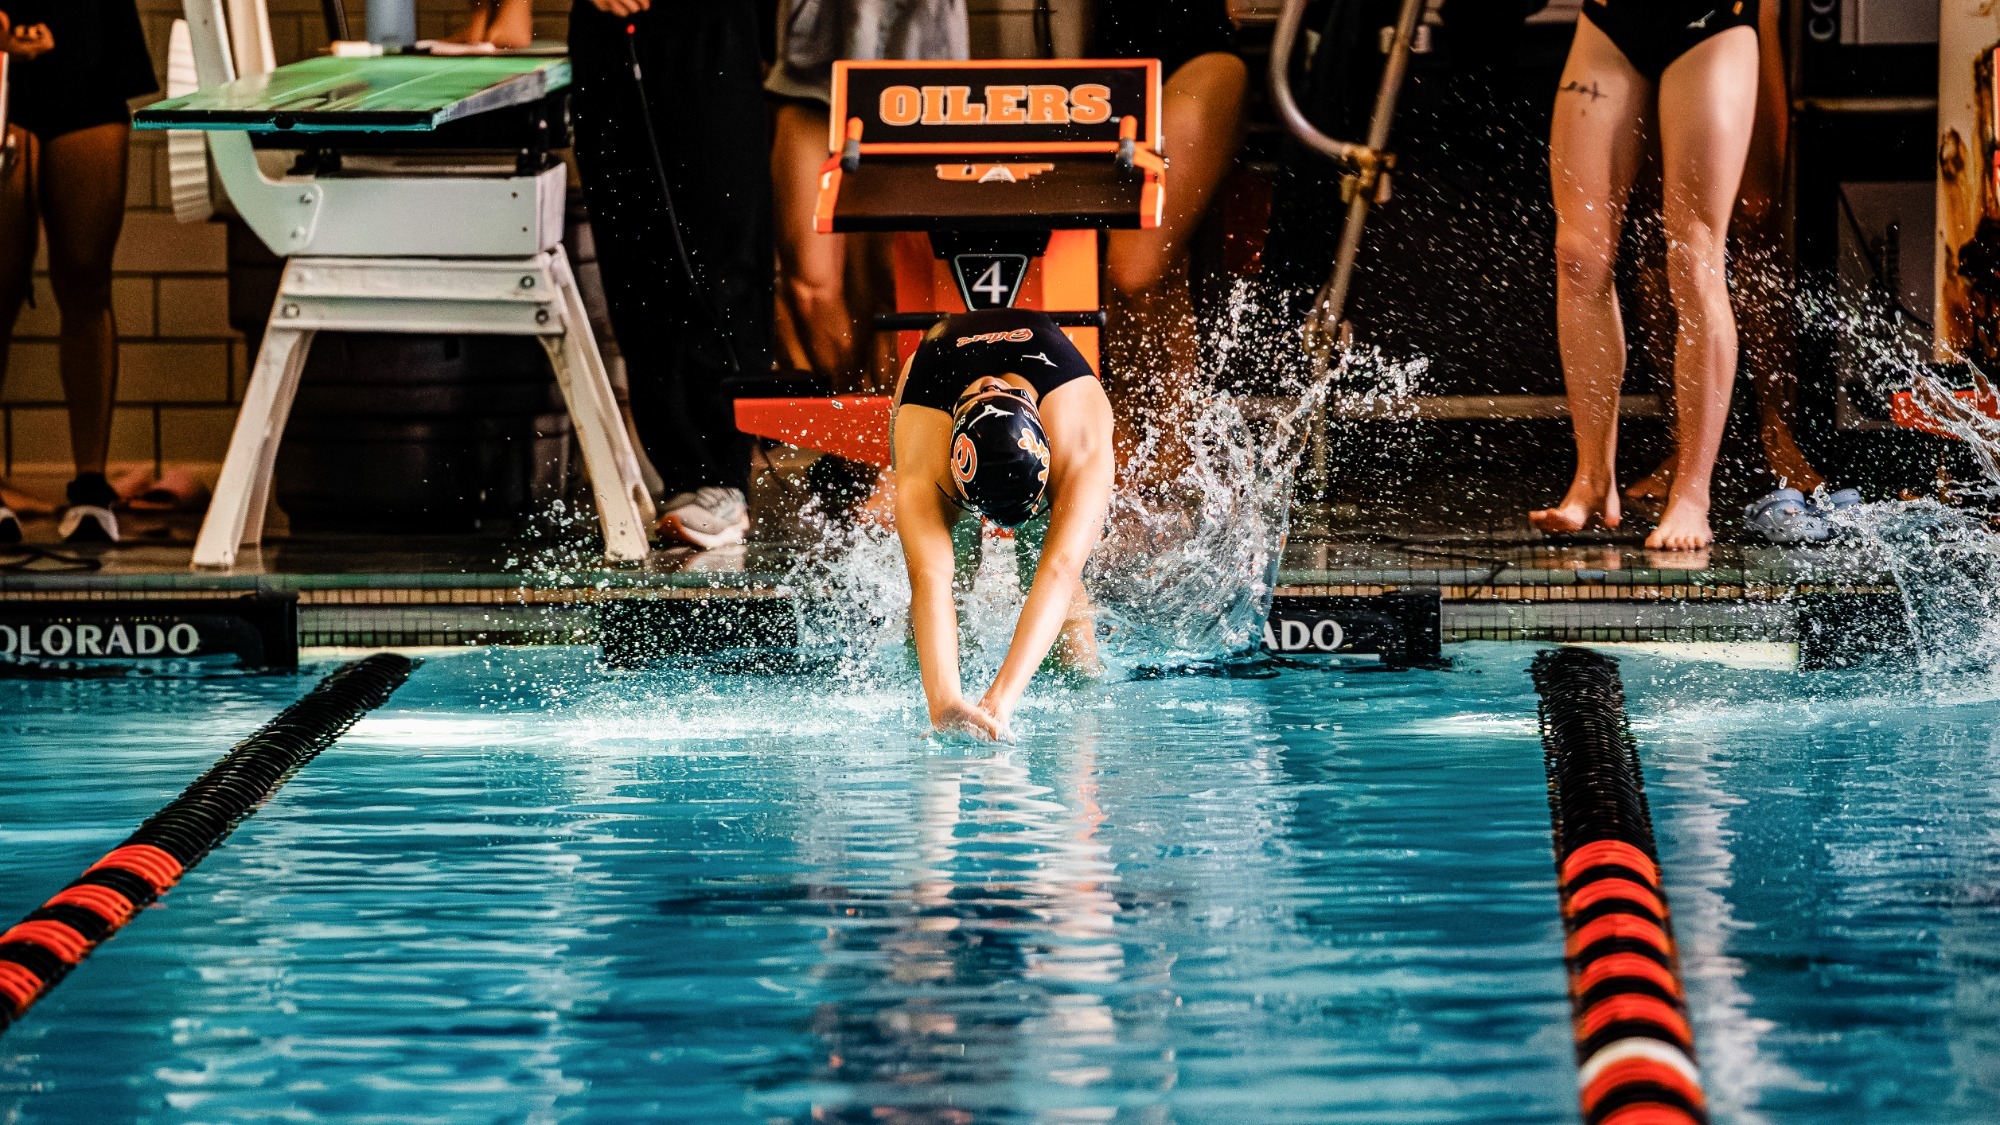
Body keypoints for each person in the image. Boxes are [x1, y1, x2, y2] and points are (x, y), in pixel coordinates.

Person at [1532, 0, 1760, 550]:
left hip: (1711, 25)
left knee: (1694, 259)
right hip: (1611, 23)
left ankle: (1692, 495)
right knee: (1579, 257)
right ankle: (1592, 478)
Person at [568, 0, 772, 548]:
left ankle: (721, 474)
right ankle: (684, 475)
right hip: (610, 39)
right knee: (632, 261)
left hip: (708, 33)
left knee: (718, 246)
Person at [893, 309, 1114, 741]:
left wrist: (1000, 702)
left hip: (1051, 389)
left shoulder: (1078, 437)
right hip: (936, 385)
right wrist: (944, 704)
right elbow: (929, 578)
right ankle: (912, 687)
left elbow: (1060, 569)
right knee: (951, 565)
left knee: (1050, 576)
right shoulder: (928, 445)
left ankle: (1083, 719)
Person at [0, 2, 156, 544]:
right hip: (3, 70)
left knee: (87, 277)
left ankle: (91, 485)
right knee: (0, 283)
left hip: (86, 48)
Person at [768, 0, 968, 393]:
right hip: (812, 79)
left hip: (918, 83)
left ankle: (896, 422)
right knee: (810, 285)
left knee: (894, 288)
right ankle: (852, 415)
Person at [1091, 0, 1248, 460]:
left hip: (1196, 54)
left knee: (1133, 272)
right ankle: (1152, 446)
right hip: (1097, 74)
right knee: (1129, 279)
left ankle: (1169, 448)